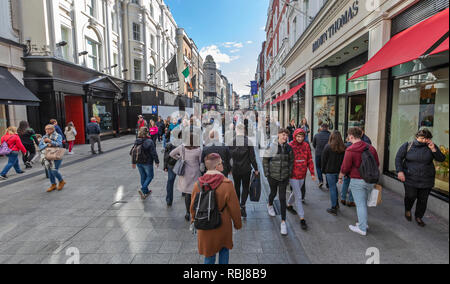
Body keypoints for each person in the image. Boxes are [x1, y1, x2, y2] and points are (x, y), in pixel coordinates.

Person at [190, 153, 242, 264]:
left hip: (205, 224)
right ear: (217, 166)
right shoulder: (227, 184)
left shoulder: (198, 184)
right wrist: (238, 224)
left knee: (209, 255)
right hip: (222, 224)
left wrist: (193, 220)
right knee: (224, 250)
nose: (223, 164)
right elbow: (235, 208)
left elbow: (193, 206)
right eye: (221, 162)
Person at [395, 129, 445, 227]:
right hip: (410, 177)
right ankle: (408, 209)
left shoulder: (431, 147)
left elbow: (441, 159)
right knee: (410, 196)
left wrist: (433, 149)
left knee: (423, 200)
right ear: (417, 137)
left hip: (426, 179)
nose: (424, 140)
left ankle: (419, 217)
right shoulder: (408, 145)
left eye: (427, 138)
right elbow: (398, 158)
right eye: (422, 138)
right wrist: (400, 171)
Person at [339, 127, 379, 236]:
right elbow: (377, 163)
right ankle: (363, 223)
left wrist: (340, 177)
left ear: (351, 136)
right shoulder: (371, 148)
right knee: (364, 203)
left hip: (357, 180)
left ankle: (362, 228)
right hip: (370, 180)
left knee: (360, 204)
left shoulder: (351, 149)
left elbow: (345, 167)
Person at [263, 128, 294, 236]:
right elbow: (265, 160)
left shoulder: (289, 148)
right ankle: (270, 204)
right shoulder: (271, 146)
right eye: (283, 134)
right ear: (279, 135)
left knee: (282, 198)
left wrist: (289, 173)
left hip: (284, 177)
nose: (285, 137)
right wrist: (267, 174)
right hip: (273, 176)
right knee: (272, 193)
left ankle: (283, 222)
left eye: (286, 135)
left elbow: (291, 162)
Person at [286, 128, 316, 231]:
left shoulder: (306, 145)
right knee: (299, 196)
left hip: (302, 174)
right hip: (293, 175)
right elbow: (286, 160)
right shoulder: (290, 145)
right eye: (298, 136)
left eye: (302, 136)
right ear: (295, 136)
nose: (300, 138)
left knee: (295, 192)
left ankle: (288, 205)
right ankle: (302, 218)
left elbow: (310, 159)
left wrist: (312, 173)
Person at [229, 124, 259, 218]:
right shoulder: (248, 141)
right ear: (244, 130)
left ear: (236, 130)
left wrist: (229, 168)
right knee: (245, 187)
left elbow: (229, 157)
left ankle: (238, 204)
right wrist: (256, 168)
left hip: (235, 169)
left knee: (237, 186)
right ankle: (243, 205)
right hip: (246, 169)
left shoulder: (231, 141)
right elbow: (252, 157)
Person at [170, 134, 202, 221]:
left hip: (185, 173)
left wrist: (180, 158)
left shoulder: (182, 147)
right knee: (194, 193)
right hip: (195, 172)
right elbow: (200, 162)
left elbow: (171, 154)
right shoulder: (198, 150)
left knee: (187, 194)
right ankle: (194, 211)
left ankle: (188, 212)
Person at [321, 130, 346, 216]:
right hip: (339, 172)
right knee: (334, 187)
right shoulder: (344, 148)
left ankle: (333, 207)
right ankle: (336, 204)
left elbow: (323, 160)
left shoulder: (328, 147)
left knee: (332, 188)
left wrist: (323, 170)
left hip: (330, 171)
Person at [132, 127, 160, 200]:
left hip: (138, 162)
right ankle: (143, 188)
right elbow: (153, 153)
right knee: (150, 176)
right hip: (147, 162)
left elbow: (133, 152)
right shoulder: (149, 141)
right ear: (147, 133)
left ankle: (145, 192)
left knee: (143, 176)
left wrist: (133, 162)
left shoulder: (136, 140)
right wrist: (157, 161)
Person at [39, 124, 66, 192]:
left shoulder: (58, 136)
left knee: (54, 170)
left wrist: (51, 141)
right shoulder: (44, 137)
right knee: (49, 170)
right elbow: (40, 146)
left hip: (56, 154)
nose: (47, 130)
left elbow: (59, 144)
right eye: (46, 129)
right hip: (47, 154)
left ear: (52, 129)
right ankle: (53, 184)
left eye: (48, 129)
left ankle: (61, 181)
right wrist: (47, 144)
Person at [313, 123, 331, 188]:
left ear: (321, 128)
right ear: (327, 128)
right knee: (327, 168)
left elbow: (314, 144)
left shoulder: (317, 135)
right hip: (328, 154)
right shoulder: (330, 135)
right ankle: (328, 183)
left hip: (318, 153)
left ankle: (321, 180)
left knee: (318, 167)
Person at [164, 140, 178, 206]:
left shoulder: (187, 143)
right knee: (170, 181)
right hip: (172, 165)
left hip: (184, 165)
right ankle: (169, 200)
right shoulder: (169, 145)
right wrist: (165, 166)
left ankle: (184, 192)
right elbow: (166, 156)